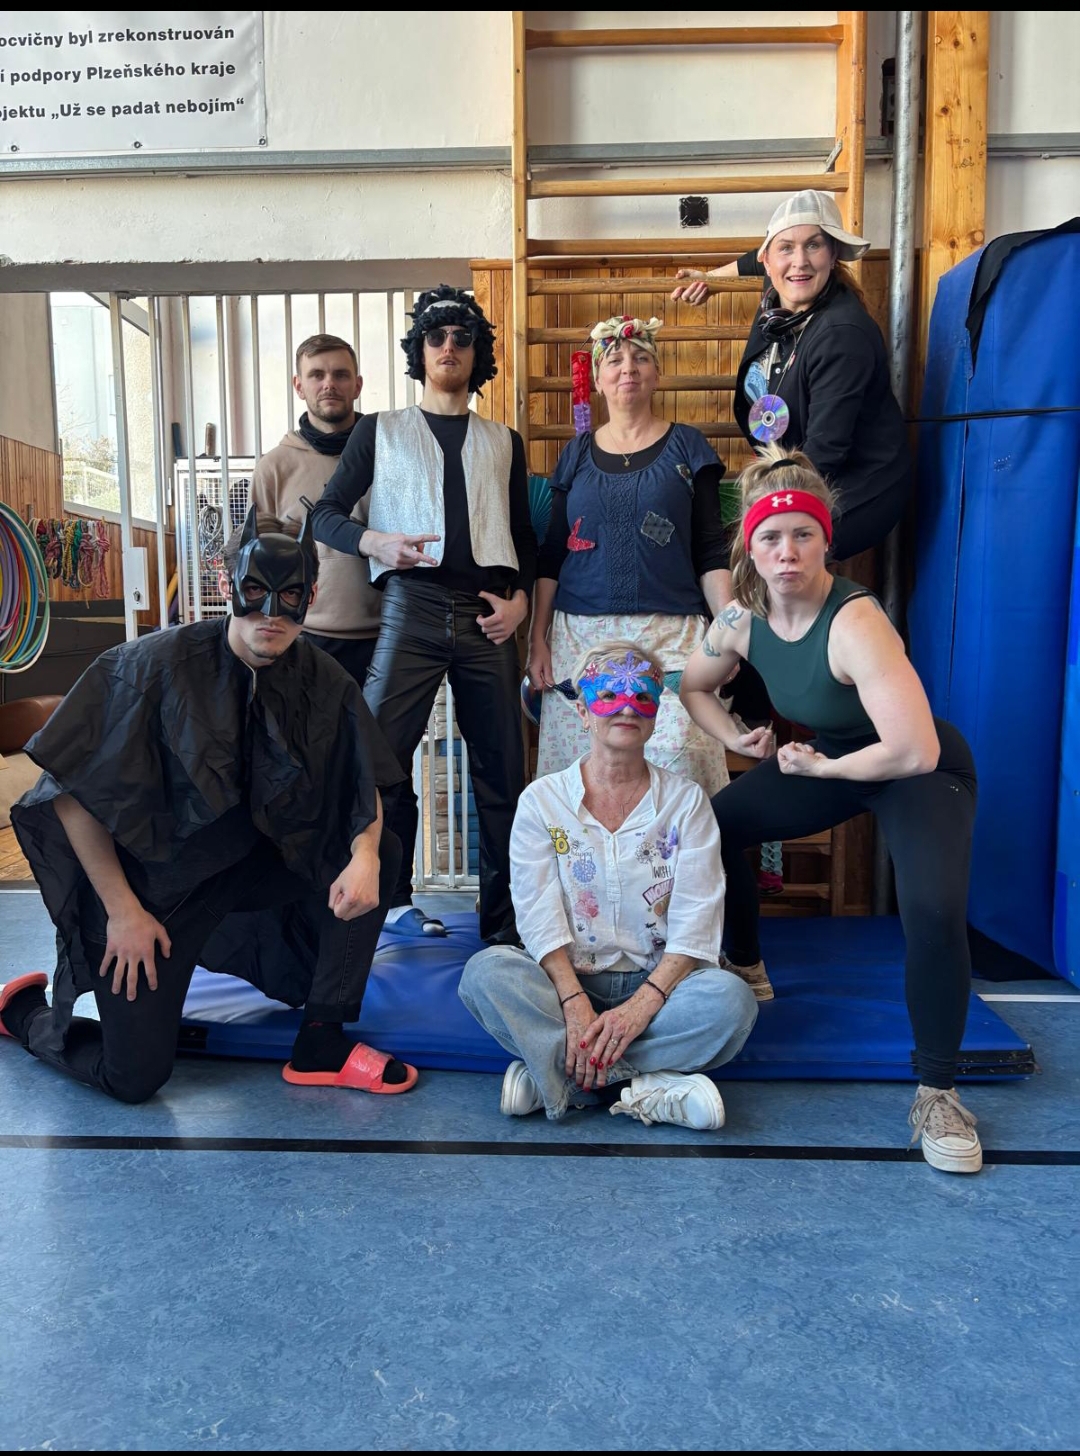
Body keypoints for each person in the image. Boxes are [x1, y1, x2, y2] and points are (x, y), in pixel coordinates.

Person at [0, 511, 418, 1102]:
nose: (271, 613)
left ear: (311, 597)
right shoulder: (150, 667)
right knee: (133, 1077)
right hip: (155, 893)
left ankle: (321, 1041)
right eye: (255, 591)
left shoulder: (320, 678)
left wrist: (366, 853)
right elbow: (72, 795)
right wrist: (123, 911)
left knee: (379, 846)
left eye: (290, 597)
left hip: (249, 868)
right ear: (227, 586)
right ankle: (20, 1011)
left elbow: (362, 777)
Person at [679, 447, 983, 1174]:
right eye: (771, 538)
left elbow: (912, 749)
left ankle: (939, 1092)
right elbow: (693, 686)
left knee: (934, 909)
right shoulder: (740, 619)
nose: (787, 552)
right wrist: (738, 738)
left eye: (803, 535)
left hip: (919, 770)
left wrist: (823, 767)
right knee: (716, 826)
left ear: (826, 541)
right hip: (835, 758)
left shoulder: (855, 622)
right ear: (750, 548)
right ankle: (747, 964)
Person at [312, 285, 536, 946]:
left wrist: (521, 602)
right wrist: (375, 542)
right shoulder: (378, 431)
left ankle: (505, 930)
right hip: (410, 609)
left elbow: (524, 536)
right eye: (436, 337)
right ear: (420, 350)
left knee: (503, 773)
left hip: (488, 619)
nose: (448, 347)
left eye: (462, 337)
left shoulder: (505, 441)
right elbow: (325, 515)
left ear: (477, 352)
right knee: (375, 760)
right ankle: (375, 909)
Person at [459, 640, 758, 1129]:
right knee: (485, 973)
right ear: (582, 711)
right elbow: (536, 912)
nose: (626, 708)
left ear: (656, 712)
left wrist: (642, 1006)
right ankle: (646, 1085)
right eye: (607, 695)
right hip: (565, 985)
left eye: (641, 696)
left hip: (661, 987)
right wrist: (574, 1001)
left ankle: (560, 1074)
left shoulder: (686, 803)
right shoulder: (541, 802)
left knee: (732, 1001)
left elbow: (697, 918)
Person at [527, 314, 732, 796]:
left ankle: (687, 849)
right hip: (580, 636)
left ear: (657, 375)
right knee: (580, 774)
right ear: (597, 380)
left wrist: (729, 632)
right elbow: (553, 553)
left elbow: (710, 548)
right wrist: (537, 638)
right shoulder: (575, 454)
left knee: (683, 761)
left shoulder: (688, 446)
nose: (628, 368)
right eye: (615, 360)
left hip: (671, 632)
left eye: (641, 358)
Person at [670, 188, 911, 562]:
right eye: (786, 248)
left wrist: (766, 510)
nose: (800, 262)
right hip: (799, 467)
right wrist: (710, 278)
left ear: (833, 254)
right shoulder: (781, 290)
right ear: (768, 260)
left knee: (754, 553)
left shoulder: (842, 335)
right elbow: (754, 259)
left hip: (856, 488)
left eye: (814, 245)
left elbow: (825, 453)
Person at [250, 332, 381, 687]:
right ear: (299, 385)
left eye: (340, 375)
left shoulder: (390, 456)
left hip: (387, 635)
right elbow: (258, 562)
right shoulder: (273, 468)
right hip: (303, 635)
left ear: (357, 385)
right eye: (317, 375)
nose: (329, 384)